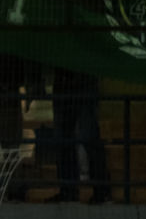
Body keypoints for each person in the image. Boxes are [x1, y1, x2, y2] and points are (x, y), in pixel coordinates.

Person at [47, 68, 111, 204]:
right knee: (67, 139)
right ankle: (74, 191)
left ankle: (98, 190)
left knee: (85, 137)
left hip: (77, 81)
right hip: (73, 81)